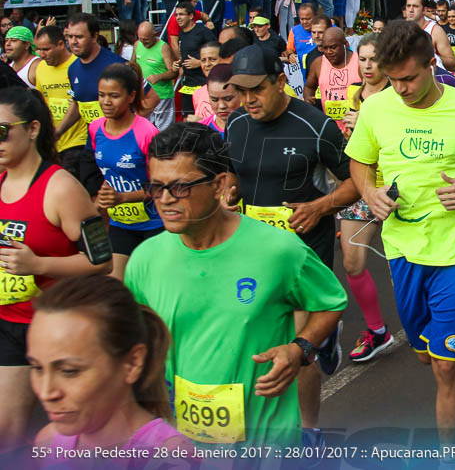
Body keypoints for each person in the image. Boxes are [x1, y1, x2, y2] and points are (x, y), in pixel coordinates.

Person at [344, 20, 455, 447]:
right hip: (403, 247)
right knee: (426, 354)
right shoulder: (377, 108)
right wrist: (370, 193)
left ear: (431, 65)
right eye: (392, 80)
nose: (400, 88)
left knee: (444, 367)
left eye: (408, 79)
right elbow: (360, 161)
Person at [124, 122, 347, 449]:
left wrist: (301, 348)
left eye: (180, 187)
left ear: (218, 186)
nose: (166, 200)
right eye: (157, 187)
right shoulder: (144, 260)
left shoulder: (280, 251)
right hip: (184, 439)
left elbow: (330, 302)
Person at [222, 44, 358, 436]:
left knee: (299, 352)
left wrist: (318, 208)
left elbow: (356, 182)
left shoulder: (316, 126)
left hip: (304, 256)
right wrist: (231, 190)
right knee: (255, 342)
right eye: (240, 91)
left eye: (256, 90)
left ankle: (308, 432)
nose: (248, 100)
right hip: (252, 256)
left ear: (281, 82)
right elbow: (232, 171)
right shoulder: (235, 125)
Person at [0, 87, 110, 448]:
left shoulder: (61, 187)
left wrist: (38, 264)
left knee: (13, 431)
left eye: (3, 131)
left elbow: (102, 260)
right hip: (5, 319)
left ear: (32, 129)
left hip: (46, 326)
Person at [28, 275, 192, 457]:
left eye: (69, 371)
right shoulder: (48, 442)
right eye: (37, 368)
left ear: (132, 363)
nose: (46, 393)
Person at [331, 34, 396, 363]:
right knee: (352, 263)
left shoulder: (398, 93)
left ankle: (433, 321)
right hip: (363, 186)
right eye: (364, 59)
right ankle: (377, 330)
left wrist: (369, 124)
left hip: (399, 188)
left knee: (411, 264)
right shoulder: (353, 95)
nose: (368, 65)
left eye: (374, 59)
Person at [84, 64, 162, 280]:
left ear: (131, 96)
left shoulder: (147, 132)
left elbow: (162, 185)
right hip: (121, 223)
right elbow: (101, 172)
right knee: (116, 287)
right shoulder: (95, 128)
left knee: (151, 287)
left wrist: (123, 197)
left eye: (114, 96)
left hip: (156, 223)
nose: (106, 102)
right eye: (101, 95)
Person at [61, 13, 124, 196]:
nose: (73, 42)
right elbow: (78, 106)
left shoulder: (115, 66)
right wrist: (56, 132)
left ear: (95, 36)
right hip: (93, 146)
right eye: (70, 37)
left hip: (119, 146)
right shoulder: (73, 69)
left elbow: (150, 99)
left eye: (79, 37)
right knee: (93, 197)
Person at [33, 26, 89, 174]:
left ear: (60, 44)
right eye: (38, 49)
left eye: (46, 49)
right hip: (53, 143)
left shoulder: (78, 65)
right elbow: (42, 103)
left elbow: (79, 104)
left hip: (78, 141)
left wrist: (58, 132)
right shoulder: (41, 68)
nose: (41, 54)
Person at [169, 4, 217, 120]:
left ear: (191, 16)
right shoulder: (181, 34)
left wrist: (200, 62)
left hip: (203, 83)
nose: (178, 18)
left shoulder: (203, 31)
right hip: (187, 84)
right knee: (187, 119)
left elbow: (218, 53)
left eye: (181, 14)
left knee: (204, 118)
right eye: (176, 15)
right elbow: (187, 55)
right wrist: (178, 63)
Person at [303, 27, 359, 125]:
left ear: (345, 44)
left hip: (357, 127)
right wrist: (308, 99)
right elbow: (309, 86)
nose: (329, 52)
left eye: (333, 47)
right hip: (330, 127)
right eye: (325, 48)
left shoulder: (360, 62)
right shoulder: (318, 63)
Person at [130, 22, 176, 131]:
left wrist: (158, 76)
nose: (143, 42)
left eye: (146, 39)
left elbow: (174, 72)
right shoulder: (137, 44)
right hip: (144, 96)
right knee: (144, 129)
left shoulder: (163, 47)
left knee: (164, 132)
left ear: (154, 34)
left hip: (162, 96)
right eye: (140, 39)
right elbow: (132, 64)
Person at [402, 0, 455, 73]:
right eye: (408, 6)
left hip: (431, 81)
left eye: (415, 6)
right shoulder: (399, 30)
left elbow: (453, 65)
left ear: (424, 10)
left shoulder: (435, 30)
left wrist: (433, 57)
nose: (411, 10)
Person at [183, 39, 222, 122]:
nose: (207, 64)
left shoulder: (234, 91)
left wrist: (202, 122)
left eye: (212, 59)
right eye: (203, 60)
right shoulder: (198, 93)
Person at [198, 64, 241, 136]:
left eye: (228, 99)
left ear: (241, 94)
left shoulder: (254, 127)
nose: (221, 106)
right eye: (214, 100)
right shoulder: (200, 131)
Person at [286, 3, 318, 75]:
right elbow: (289, 49)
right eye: (302, 19)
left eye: (308, 19)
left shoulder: (325, 28)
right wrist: (290, 55)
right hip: (304, 74)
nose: (305, 22)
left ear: (315, 16)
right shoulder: (294, 31)